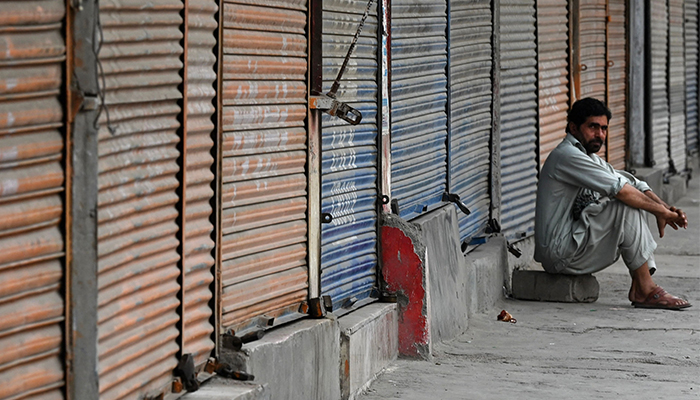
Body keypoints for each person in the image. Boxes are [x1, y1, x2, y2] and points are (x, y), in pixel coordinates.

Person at [534, 97, 691, 310]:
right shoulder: (567, 156)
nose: (600, 134)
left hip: (573, 243)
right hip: (560, 252)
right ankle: (644, 289)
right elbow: (623, 192)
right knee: (625, 204)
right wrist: (659, 211)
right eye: (593, 127)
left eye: (604, 128)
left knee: (633, 198)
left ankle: (641, 285)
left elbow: (634, 182)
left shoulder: (588, 157)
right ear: (573, 127)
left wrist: (664, 209)